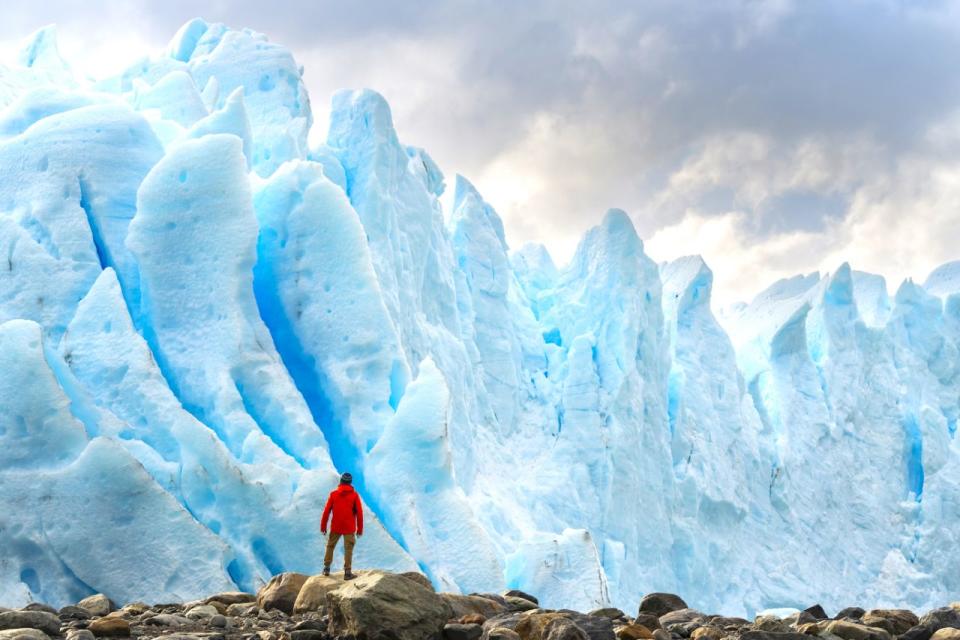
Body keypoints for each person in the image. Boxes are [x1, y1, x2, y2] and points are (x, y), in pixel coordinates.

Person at [320, 472, 364, 579]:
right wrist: (359, 530)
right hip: (349, 528)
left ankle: (326, 568)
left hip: (336, 526)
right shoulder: (354, 496)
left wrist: (323, 527)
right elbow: (359, 513)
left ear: (341, 481)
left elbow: (326, 512)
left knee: (330, 546)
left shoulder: (334, 494)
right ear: (350, 483)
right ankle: (347, 573)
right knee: (348, 549)